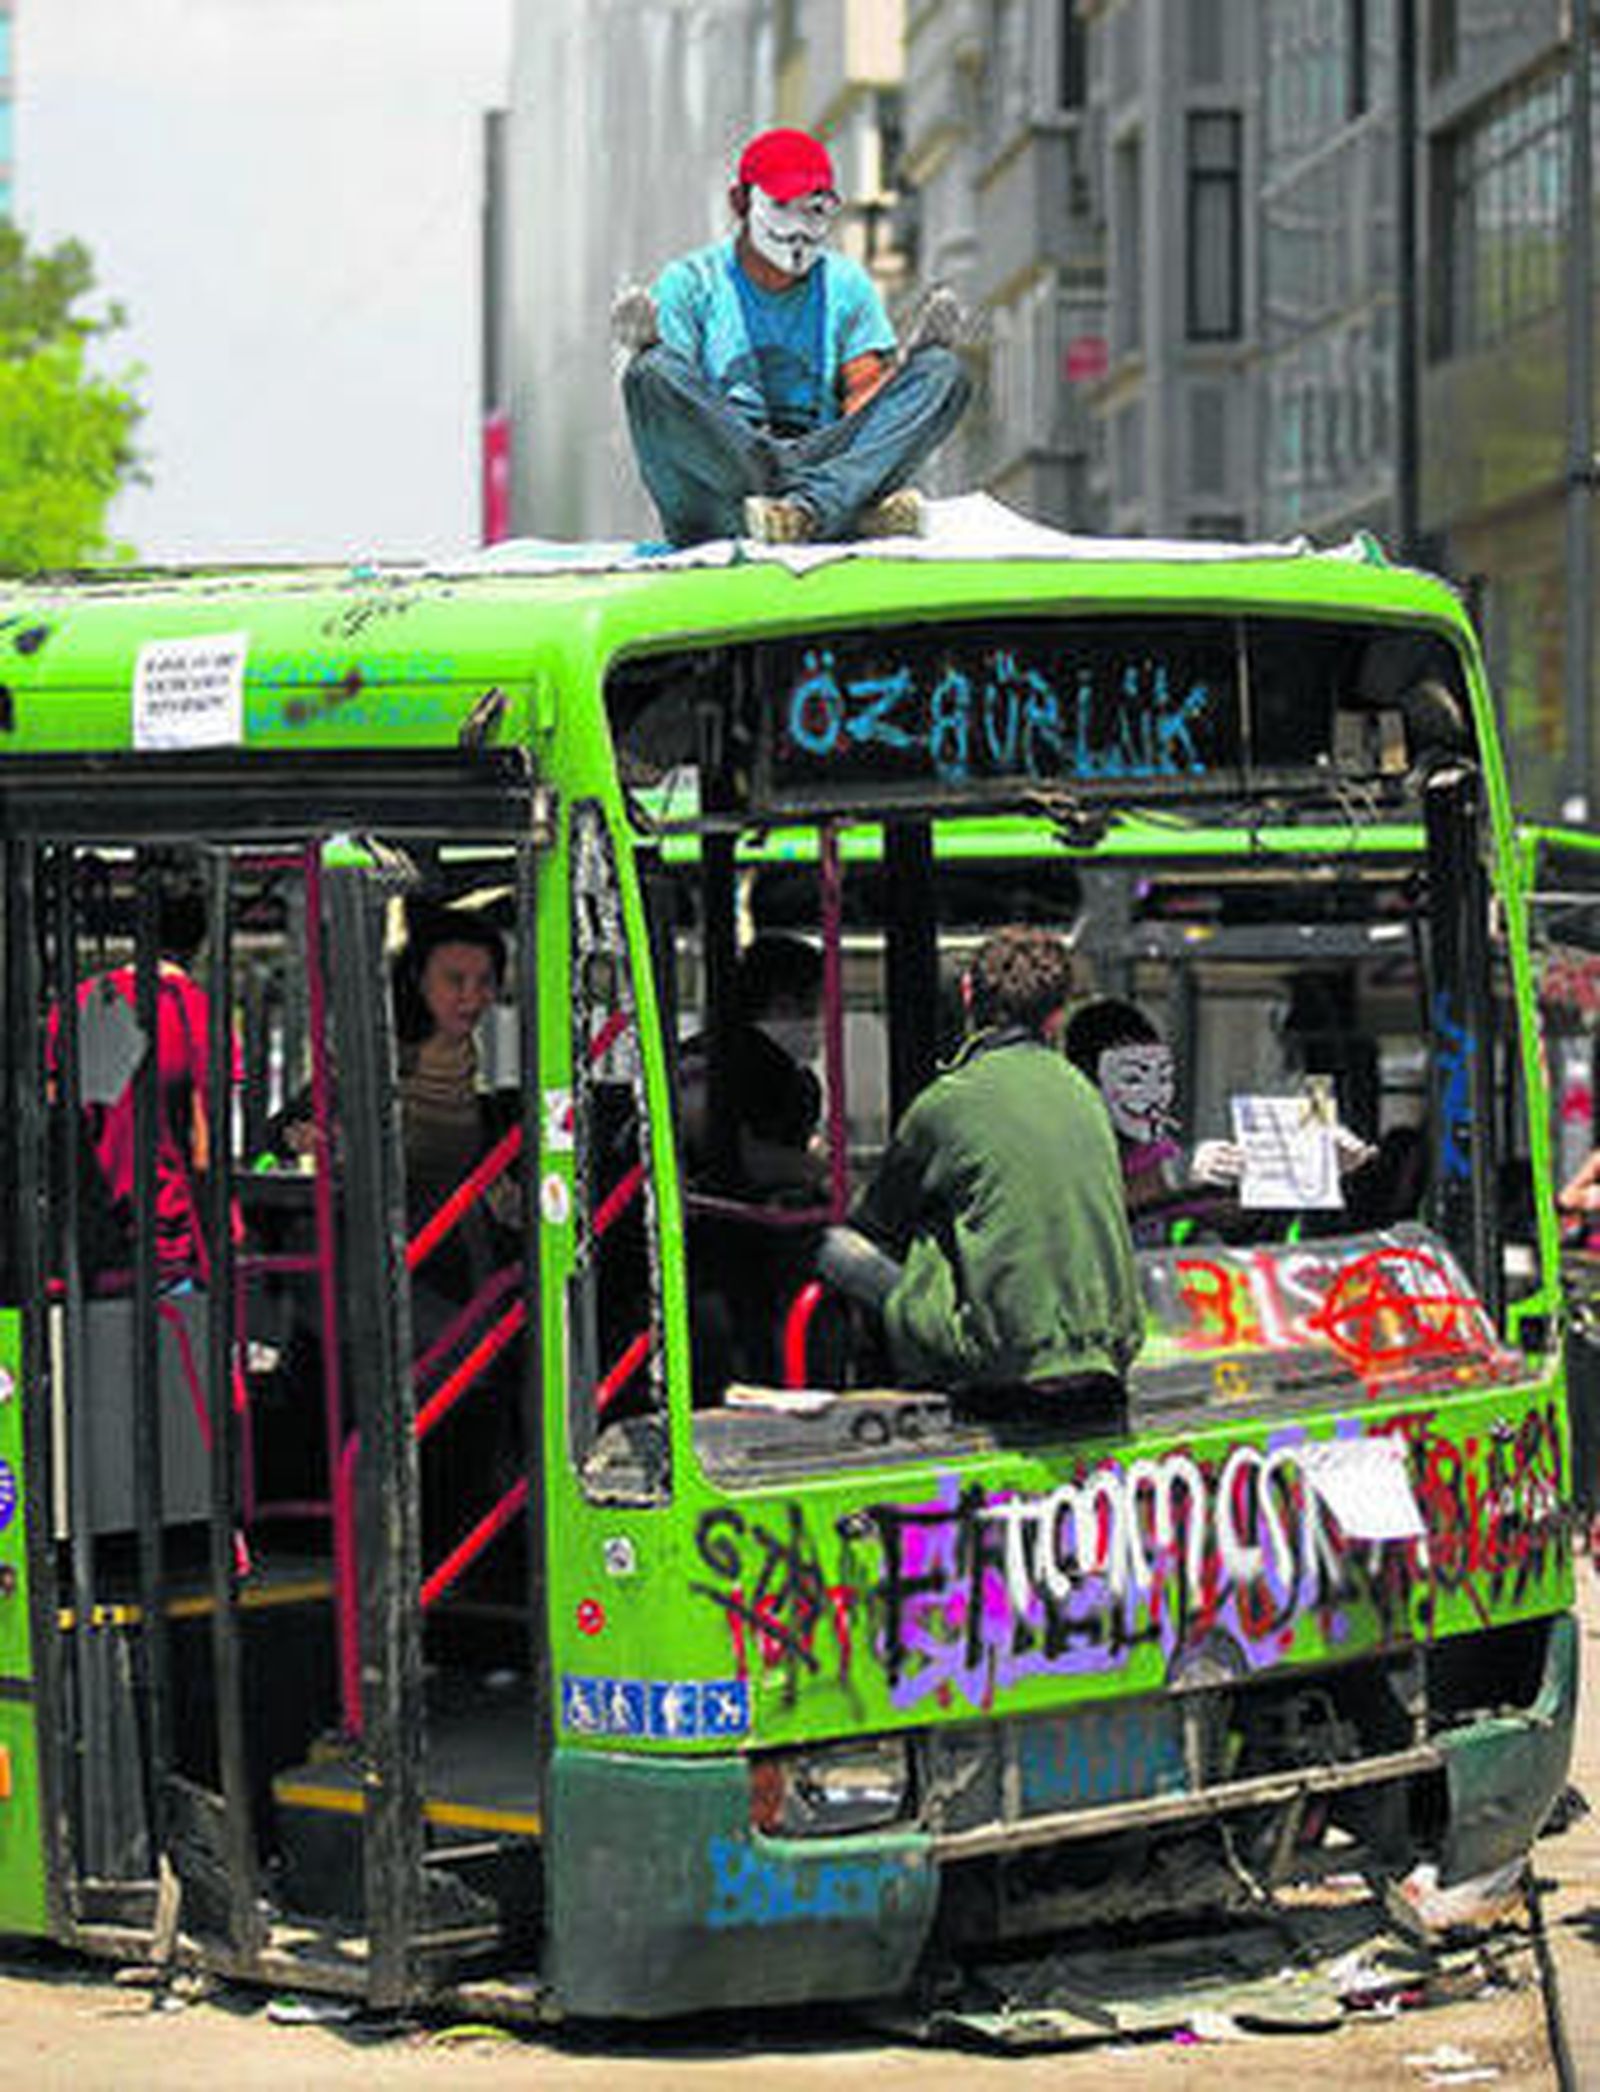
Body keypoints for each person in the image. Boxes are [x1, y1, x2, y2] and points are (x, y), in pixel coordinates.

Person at [615, 126, 971, 547]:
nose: (800, 228)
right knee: (651, 374)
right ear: (741, 203)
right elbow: (683, 421)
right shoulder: (691, 283)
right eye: (782, 206)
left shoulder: (846, 284)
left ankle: (810, 511)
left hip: (818, 469)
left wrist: (913, 367)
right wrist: (649, 349)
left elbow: (863, 399)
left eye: (815, 211)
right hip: (724, 487)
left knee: (944, 371)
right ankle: (842, 510)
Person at [850, 926, 1143, 1409]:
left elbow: (879, 1217)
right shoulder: (1084, 1093)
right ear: (1057, 1014)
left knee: (832, 1249)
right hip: (1108, 1355)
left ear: (967, 995)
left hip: (997, 1356)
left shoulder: (947, 1101)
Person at [52, 877, 233, 1284]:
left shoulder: (81, 1001)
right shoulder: (201, 1016)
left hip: (80, 1242)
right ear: (201, 940)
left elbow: (53, 1112)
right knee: (181, 1344)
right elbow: (206, 1152)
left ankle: (7, 1350)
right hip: (169, 1243)